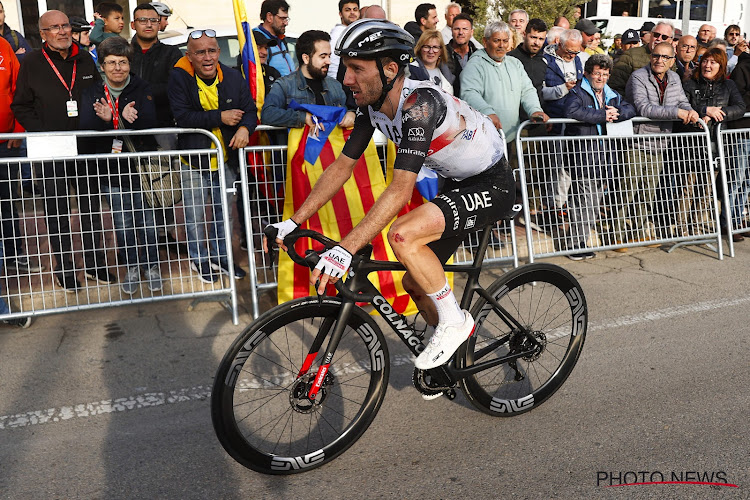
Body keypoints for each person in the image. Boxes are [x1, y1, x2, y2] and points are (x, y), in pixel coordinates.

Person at [265, 19, 519, 371]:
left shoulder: (420, 104)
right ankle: (453, 353)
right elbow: (341, 167)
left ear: (389, 69)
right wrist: (293, 222)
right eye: (346, 68)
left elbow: (400, 190)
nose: (346, 79)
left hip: (493, 183)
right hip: (458, 183)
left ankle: (455, 322)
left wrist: (345, 248)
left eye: (356, 69)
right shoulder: (374, 105)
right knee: (415, 282)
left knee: (403, 234)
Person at [12, 10, 114, 292]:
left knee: (91, 208)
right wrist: (43, 130)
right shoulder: (31, 62)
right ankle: (65, 267)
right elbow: (20, 105)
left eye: (65, 25)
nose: (62, 31)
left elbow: (98, 94)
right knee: (56, 211)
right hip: (52, 147)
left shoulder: (83, 57)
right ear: (43, 34)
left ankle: (95, 264)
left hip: (85, 145)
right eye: (54, 28)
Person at [168, 29, 256, 282]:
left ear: (219, 52)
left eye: (212, 51)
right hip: (193, 159)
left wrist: (244, 128)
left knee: (224, 213)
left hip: (225, 158)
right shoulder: (179, 77)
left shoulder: (231, 76)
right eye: (200, 52)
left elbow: (250, 110)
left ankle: (222, 257)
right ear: (190, 56)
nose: (207, 58)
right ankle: (200, 259)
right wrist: (221, 116)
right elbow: (182, 116)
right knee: (194, 214)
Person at [79, 37, 163, 294]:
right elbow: (86, 127)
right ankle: (132, 267)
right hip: (113, 172)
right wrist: (114, 120)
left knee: (148, 223)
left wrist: (118, 119)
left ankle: (151, 266)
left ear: (129, 64)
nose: (118, 68)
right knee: (123, 224)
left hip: (143, 169)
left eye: (123, 62)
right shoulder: (92, 92)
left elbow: (150, 122)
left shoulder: (141, 87)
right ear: (102, 66)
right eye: (111, 62)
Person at [618, 42, 699, 245]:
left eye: (664, 57)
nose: (659, 60)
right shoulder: (638, 76)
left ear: (672, 61)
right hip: (637, 142)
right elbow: (644, 108)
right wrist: (677, 113)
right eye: (656, 56)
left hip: (660, 142)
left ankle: (638, 231)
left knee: (648, 193)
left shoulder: (674, 78)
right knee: (627, 191)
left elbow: (681, 101)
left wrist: (690, 111)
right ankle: (616, 234)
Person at [561, 53, 635, 259]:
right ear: (587, 74)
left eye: (605, 74)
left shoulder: (611, 94)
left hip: (605, 157)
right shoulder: (577, 91)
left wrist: (617, 112)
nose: (601, 78)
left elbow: (631, 108)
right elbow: (571, 111)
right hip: (583, 155)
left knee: (593, 201)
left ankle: (579, 240)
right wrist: (602, 116)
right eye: (597, 74)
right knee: (583, 200)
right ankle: (576, 243)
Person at [679, 48, 746, 240]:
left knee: (706, 189)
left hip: (715, 145)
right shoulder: (689, 84)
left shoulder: (729, 85)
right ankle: (682, 229)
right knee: (687, 188)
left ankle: (697, 227)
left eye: (713, 62)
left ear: (721, 65)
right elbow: (683, 104)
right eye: (705, 61)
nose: (708, 65)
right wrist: (704, 110)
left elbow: (740, 108)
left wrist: (720, 112)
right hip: (690, 144)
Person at [460, 21, 548, 144]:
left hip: (512, 137)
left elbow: (527, 90)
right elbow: (469, 93)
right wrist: (488, 112)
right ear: (485, 41)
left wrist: (534, 110)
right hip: (485, 139)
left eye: (505, 41)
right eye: (497, 40)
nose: (501, 45)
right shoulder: (475, 65)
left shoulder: (515, 63)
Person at [0, 36, 39, 277]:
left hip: (6, 142)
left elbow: (19, 90)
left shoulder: (3, 46)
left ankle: (13, 254)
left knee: (6, 202)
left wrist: (18, 131)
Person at [261, 30, 355, 129]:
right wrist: (302, 117)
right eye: (323, 57)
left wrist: (351, 114)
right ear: (306, 58)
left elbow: (348, 110)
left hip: (331, 144)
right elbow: (267, 114)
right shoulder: (284, 85)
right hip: (300, 144)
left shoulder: (335, 85)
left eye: (329, 56)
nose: (328, 61)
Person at [130, 3, 182, 133]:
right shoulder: (124, 54)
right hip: (128, 127)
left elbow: (174, 87)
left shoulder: (171, 53)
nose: (148, 24)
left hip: (163, 126)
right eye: (142, 20)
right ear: (133, 25)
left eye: (153, 20)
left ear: (159, 24)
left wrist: (140, 94)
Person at [610, 21, 675, 95]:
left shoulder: (671, 60)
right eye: (656, 35)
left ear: (671, 41)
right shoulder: (630, 55)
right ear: (651, 35)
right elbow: (615, 87)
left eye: (664, 37)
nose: (659, 39)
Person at [508, 18, 547, 101]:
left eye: (541, 39)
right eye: (533, 37)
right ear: (524, 34)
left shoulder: (544, 61)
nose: (537, 43)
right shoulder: (509, 59)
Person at [409, 29, 457, 95]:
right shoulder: (411, 71)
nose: (431, 51)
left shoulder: (447, 73)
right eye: (427, 47)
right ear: (420, 49)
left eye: (435, 47)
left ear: (441, 51)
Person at [255, 0, 296, 77]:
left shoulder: (280, 39)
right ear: (269, 17)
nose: (286, 23)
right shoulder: (255, 39)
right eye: (282, 18)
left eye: (286, 19)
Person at [329, 0, 360, 82]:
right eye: (348, 10)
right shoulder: (338, 33)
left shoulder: (353, 32)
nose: (352, 12)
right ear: (340, 14)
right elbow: (332, 62)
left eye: (355, 9)